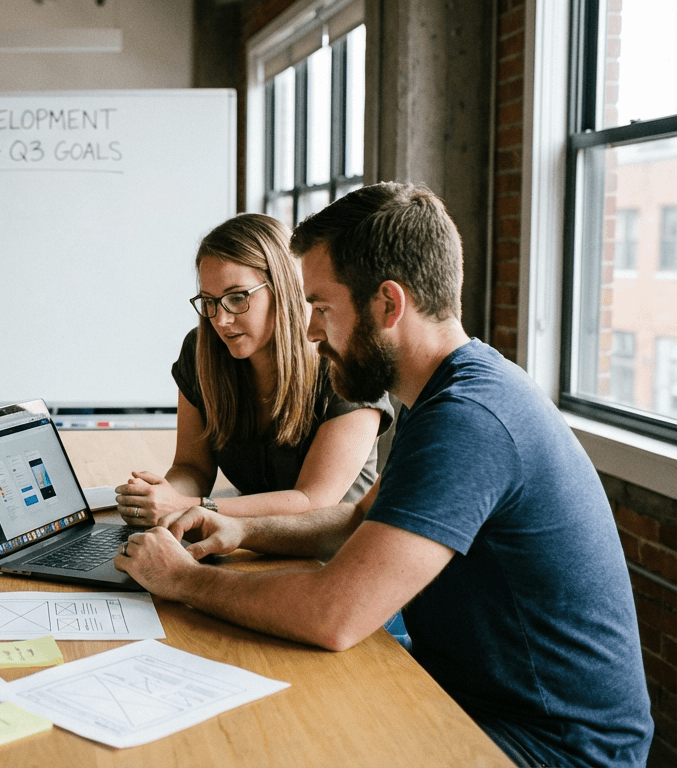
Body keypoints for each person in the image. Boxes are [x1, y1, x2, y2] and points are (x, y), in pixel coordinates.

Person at [114, 183, 652, 767]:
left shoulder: (469, 420)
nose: (311, 331)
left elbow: (334, 615)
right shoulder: (445, 395)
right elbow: (357, 519)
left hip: (551, 747)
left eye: (322, 308)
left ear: (387, 305)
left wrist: (185, 580)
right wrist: (244, 530)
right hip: (469, 698)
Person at [116, 214, 392, 528]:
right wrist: (159, 499)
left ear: (283, 288)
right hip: (249, 542)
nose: (220, 320)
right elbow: (193, 467)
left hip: (338, 548)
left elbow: (313, 501)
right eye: (209, 301)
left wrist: (188, 506)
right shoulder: (201, 350)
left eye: (237, 298)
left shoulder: (346, 357)